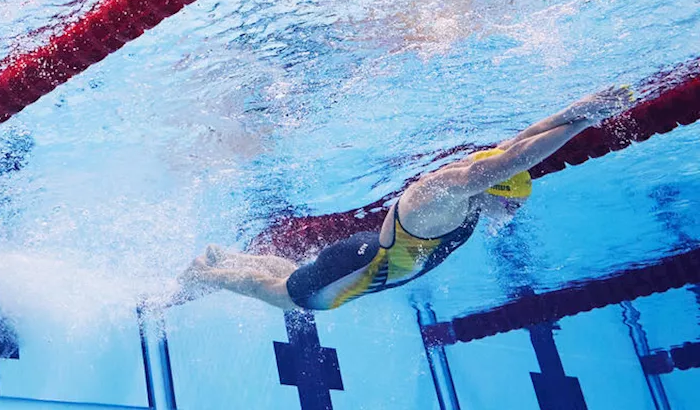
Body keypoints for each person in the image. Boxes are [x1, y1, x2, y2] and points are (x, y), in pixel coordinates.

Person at [176, 86, 635, 311]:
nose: (510, 214)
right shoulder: (449, 191)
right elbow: (509, 160)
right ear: (495, 188)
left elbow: (516, 145)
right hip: (361, 267)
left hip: (365, 257)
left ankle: (226, 256)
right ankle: (210, 273)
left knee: (299, 278)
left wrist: (576, 112)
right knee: (289, 297)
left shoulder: (468, 195)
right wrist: (580, 123)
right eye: (511, 204)